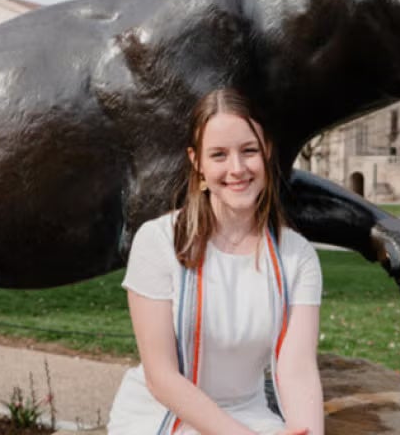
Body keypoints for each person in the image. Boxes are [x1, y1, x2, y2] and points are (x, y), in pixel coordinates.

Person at [107, 88, 324, 435]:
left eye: (249, 151)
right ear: (198, 163)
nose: (236, 168)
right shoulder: (159, 241)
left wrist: (306, 432)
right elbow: (161, 377)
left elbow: (297, 370)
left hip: (248, 415)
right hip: (163, 415)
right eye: (219, 155)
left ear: (267, 151)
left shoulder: (297, 257)